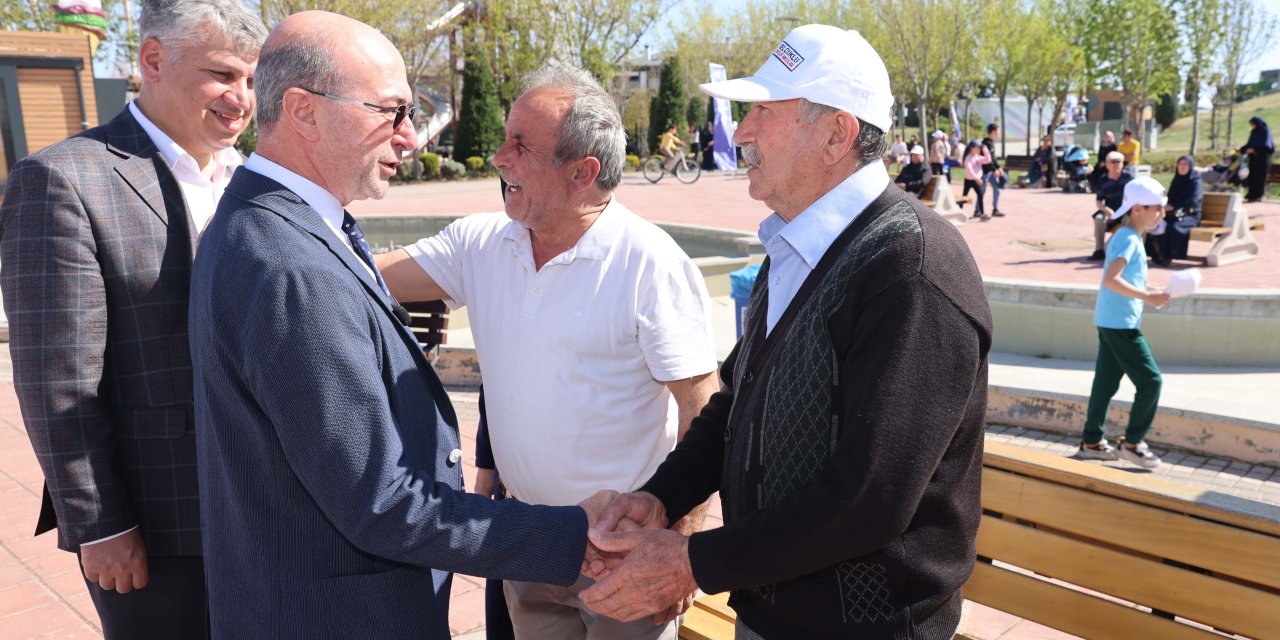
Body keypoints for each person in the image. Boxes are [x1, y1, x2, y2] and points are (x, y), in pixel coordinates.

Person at [577, 24, 992, 639]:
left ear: (836, 133)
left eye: (762, 111)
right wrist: (662, 498)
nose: (740, 131)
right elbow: (737, 405)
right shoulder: (796, 249)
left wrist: (693, 563)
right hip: (774, 615)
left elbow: (869, 497)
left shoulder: (913, 269)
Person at [188, 13, 595, 638]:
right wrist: (577, 534)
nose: (409, 138)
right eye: (391, 112)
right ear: (304, 110)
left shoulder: (270, 224)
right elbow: (382, 503)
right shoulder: (291, 265)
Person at [376, 66, 718, 640]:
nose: (498, 158)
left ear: (582, 173)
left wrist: (673, 549)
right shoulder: (480, 244)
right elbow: (361, 277)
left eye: (520, 145)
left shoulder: (650, 264)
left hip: (621, 550)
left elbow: (702, 410)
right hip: (529, 539)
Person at [0, 2, 264, 637]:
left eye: (253, 80)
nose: (242, 99)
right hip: (158, 521)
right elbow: (57, 383)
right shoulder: (61, 181)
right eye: (224, 75)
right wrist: (101, 525)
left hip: (259, 504)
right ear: (152, 60)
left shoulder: (250, 180)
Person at [1077, 177, 1169, 469]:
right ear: (1139, 208)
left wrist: (1151, 292)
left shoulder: (1128, 236)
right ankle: (1132, 443)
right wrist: (1147, 296)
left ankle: (1091, 441)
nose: (1162, 213)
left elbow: (1127, 279)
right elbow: (1111, 280)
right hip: (1121, 325)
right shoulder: (1128, 238)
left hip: (1111, 320)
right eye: (1158, 208)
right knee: (1151, 381)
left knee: (1105, 384)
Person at [1147, 155, 1202, 264]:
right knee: (1155, 221)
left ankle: (1167, 256)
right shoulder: (1176, 179)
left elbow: (1192, 201)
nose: (1182, 167)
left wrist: (1173, 207)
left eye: (1185, 164)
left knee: (1173, 227)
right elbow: (1170, 197)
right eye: (1180, 164)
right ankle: (1155, 254)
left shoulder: (1195, 182)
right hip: (1174, 213)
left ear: (1190, 166)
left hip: (1190, 214)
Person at [1089, 151, 1133, 260]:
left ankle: (1123, 250)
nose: (1116, 164)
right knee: (1099, 219)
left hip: (1126, 212)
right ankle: (1099, 250)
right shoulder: (1103, 180)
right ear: (1107, 164)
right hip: (1110, 213)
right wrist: (1106, 210)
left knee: (1131, 220)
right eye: (1113, 162)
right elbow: (1098, 201)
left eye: (1119, 162)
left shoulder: (1129, 178)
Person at [1239, 115, 1273, 203]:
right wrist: (1243, 149)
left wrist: (1254, 149)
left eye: (1253, 124)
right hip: (1253, 159)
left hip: (1263, 159)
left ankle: (1258, 196)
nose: (1252, 126)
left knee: (1260, 177)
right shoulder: (1254, 132)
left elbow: (1266, 146)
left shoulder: (1265, 131)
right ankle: (1251, 195)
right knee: (1253, 176)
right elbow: (1250, 143)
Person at [962, 140, 993, 219]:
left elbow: (988, 160)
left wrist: (985, 149)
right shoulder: (968, 157)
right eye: (978, 148)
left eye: (980, 148)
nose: (979, 149)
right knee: (964, 196)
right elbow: (969, 169)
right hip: (969, 180)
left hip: (975, 180)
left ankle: (982, 213)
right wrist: (977, 178)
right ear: (972, 148)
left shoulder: (977, 157)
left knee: (980, 195)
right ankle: (959, 211)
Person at [982, 123, 1006, 216]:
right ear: (993, 131)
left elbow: (993, 158)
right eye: (998, 130)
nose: (999, 132)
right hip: (985, 171)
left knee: (997, 189)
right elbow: (988, 160)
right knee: (982, 192)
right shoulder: (986, 143)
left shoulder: (991, 142)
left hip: (991, 171)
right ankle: (978, 211)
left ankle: (995, 209)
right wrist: (994, 169)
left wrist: (998, 167)